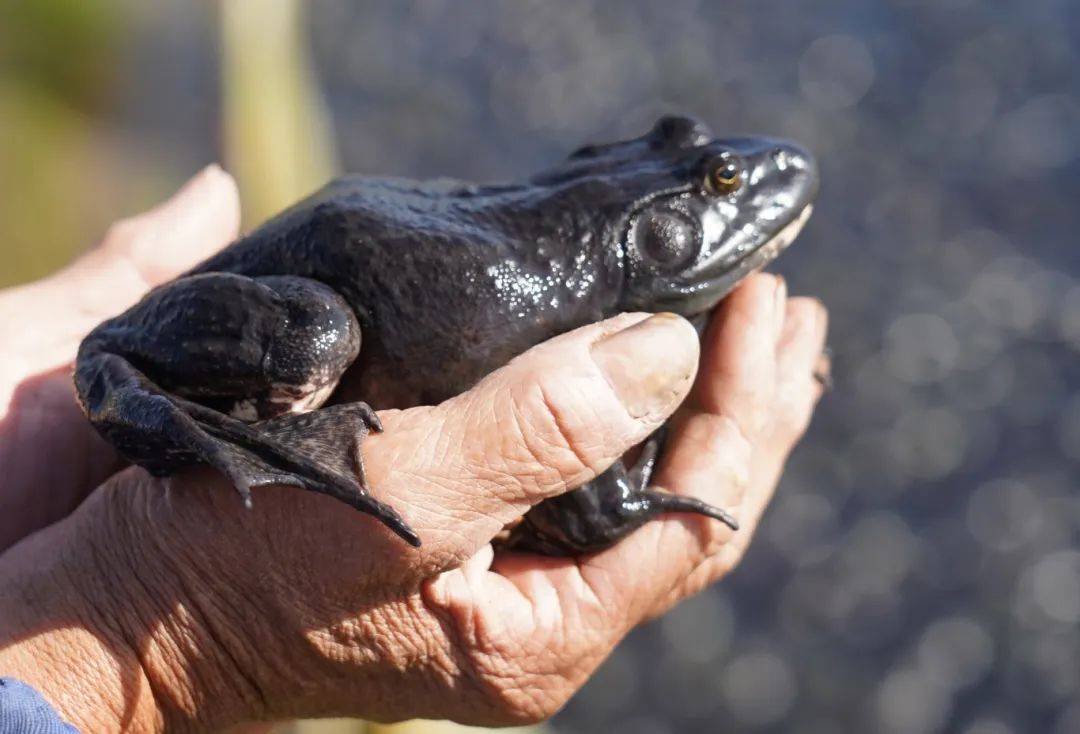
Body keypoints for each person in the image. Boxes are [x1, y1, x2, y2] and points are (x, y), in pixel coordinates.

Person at [0, 166, 829, 732]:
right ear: (662, 229)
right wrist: (190, 641)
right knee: (310, 344)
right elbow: (586, 516)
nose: (764, 180)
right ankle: (240, 430)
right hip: (318, 294)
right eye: (720, 186)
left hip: (346, 240)